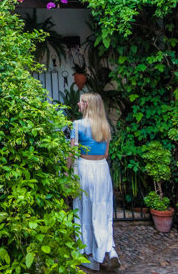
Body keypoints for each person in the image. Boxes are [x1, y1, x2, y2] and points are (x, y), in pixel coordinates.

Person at [70, 92, 120, 271]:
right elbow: (106, 154)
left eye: (81, 102)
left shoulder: (77, 125)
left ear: (87, 105)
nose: (78, 104)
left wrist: (67, 172)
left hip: (86, 168)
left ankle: (89, 255)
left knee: (84, 210)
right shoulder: (105, 126)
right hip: (102, 169)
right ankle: (109, 249)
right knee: (103, 210)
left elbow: (73, 154)